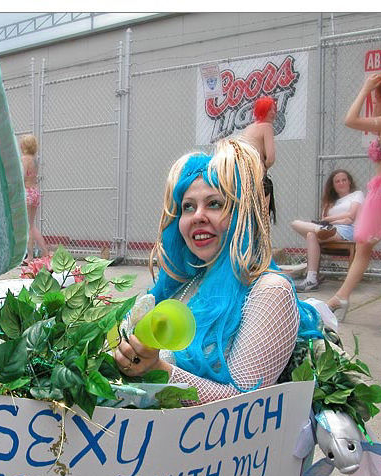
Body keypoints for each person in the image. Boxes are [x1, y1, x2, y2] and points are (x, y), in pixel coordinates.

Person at [113, 138, 321, 403]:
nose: (198, 215)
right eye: (188, 206)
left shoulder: (270, 291)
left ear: (241, 214)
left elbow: (245, 405)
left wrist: (158, 371)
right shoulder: (186, 282)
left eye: (214, 204)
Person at [324, 66, 381, 321]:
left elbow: (350, 119)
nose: (374, 101)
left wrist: (364, 88)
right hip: (380, 192)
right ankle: (342, 296)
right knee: (364, 247)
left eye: (377, 96)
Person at [291, 170, 364, 292]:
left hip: (348, 230)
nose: (341, 183)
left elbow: (350, 217)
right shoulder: (330, 202)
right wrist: (326, 224)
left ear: (349, 182)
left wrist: (329, 220)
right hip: (328, 230)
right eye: (337, 181)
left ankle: (311, 279)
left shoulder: (357, 194)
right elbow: (334, 219)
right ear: (333, 185)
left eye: (344, 180)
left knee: (313, 233)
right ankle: (311, 280)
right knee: (300, 227)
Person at [239, 96, 277, 222]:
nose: (273, 112)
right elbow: (271, 157)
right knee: (263, 218)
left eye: (274, 109)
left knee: (246, 217)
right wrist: (265, 166)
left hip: (242, 175)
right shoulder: (267, 127)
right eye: (270, 109)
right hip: (257, 176)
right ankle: (262, 240)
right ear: (263, 111)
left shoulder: (249, 128)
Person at [20, 134, 50, 262]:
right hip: (35, 192)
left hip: (27, 192)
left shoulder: (24, 159)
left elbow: (22, 176)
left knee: (28, 226)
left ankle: (30, 256)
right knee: (32, 225)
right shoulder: (35, 159)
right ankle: (45, 253)